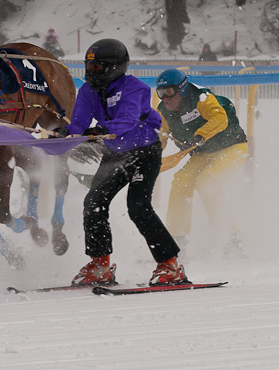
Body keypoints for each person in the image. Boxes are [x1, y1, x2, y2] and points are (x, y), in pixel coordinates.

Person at [53, 38, 186, 286]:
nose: (91, 72)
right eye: (88, 66)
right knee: (94, 202)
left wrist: (98, 131)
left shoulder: (135, 88)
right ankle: (100, 265)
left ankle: (170, 265)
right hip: (116, 153)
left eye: (97, 67)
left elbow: (127, 120)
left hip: (144, 152)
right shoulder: (87, 91)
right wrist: (65, 132)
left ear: (114, 66)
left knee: (138, 207)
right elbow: (79, 124)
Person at [155, 69, 248, 255]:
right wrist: (148, 154)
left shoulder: (202, 97)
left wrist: (200, 136)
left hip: (232, 146)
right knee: (181, 181)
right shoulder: (163, 111)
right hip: (204, 152)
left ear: (182, 89)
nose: (166, 98)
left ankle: (231, 240)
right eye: (161, 93)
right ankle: (177, 242)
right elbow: (160, 138)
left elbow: (219, 118)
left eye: (169, 92)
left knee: (207, 181)